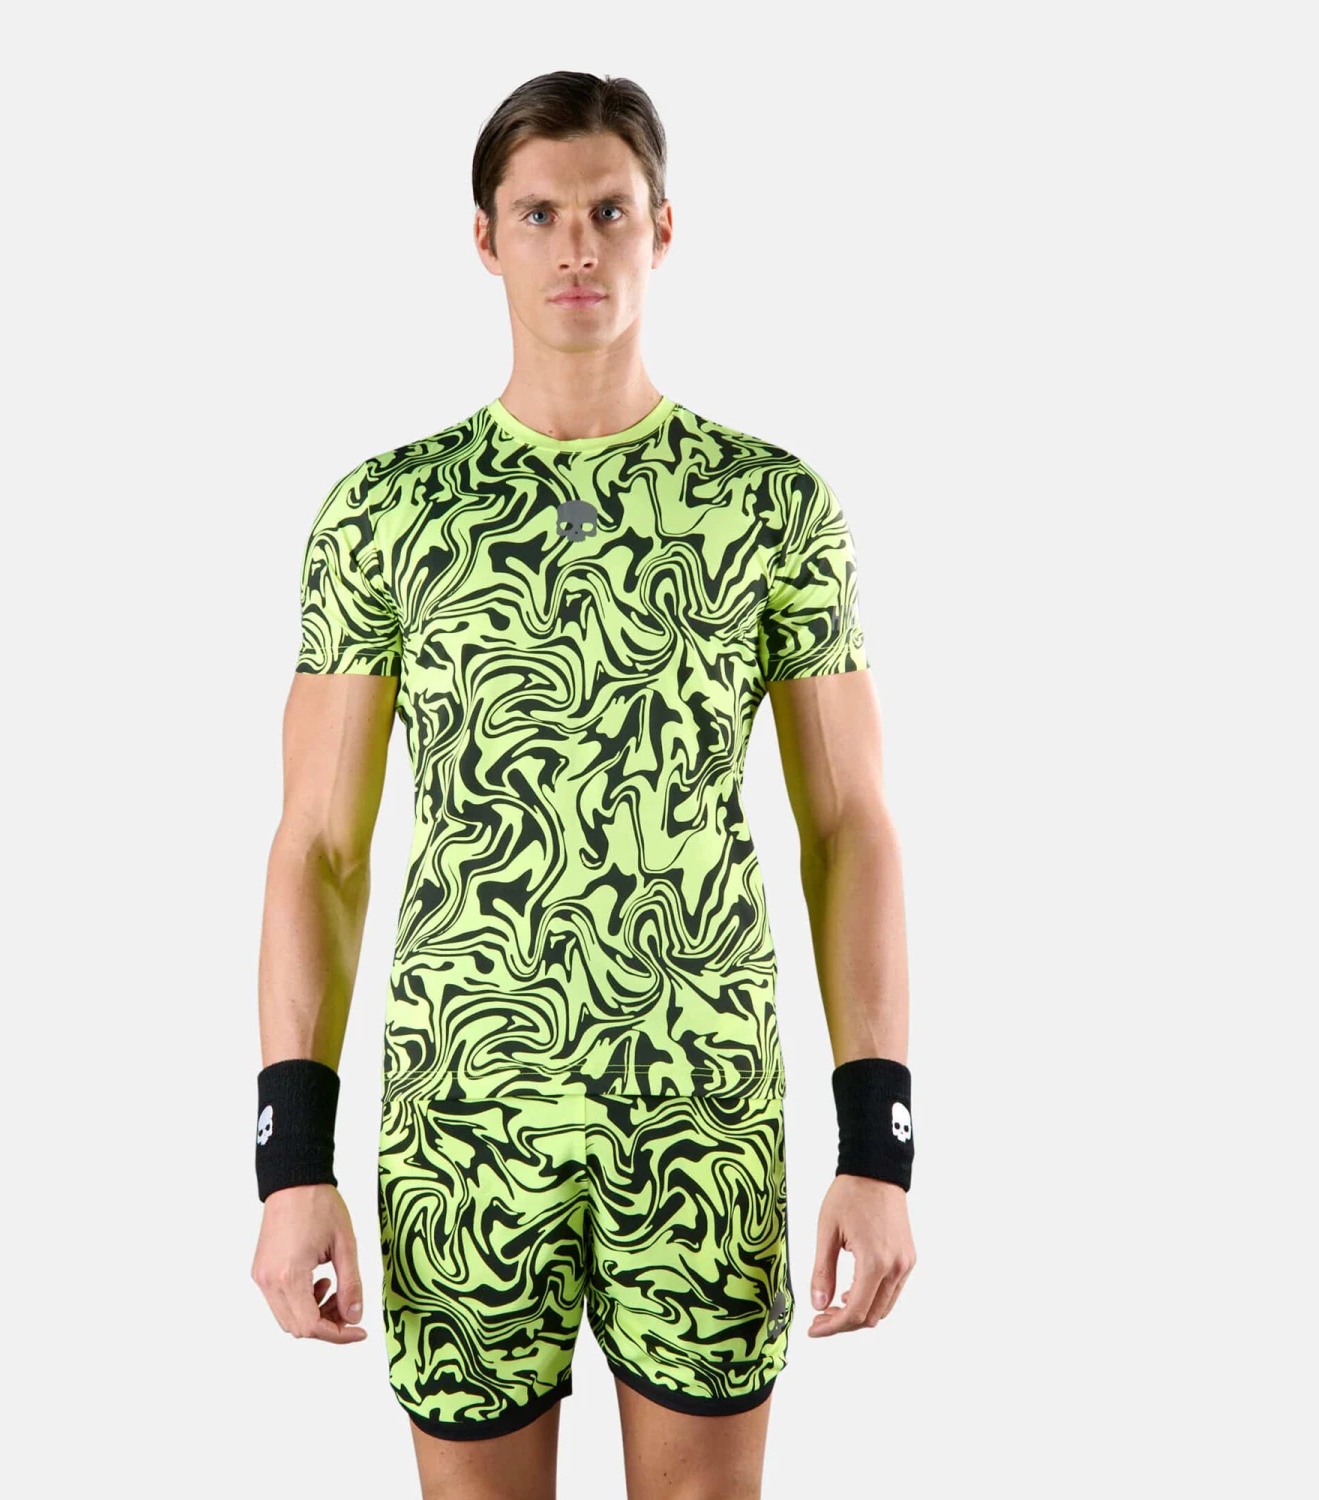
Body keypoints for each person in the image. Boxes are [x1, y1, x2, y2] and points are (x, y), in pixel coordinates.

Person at [250, 70, 916, 1500]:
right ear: (484, 239)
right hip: (465, 1122)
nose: (576, 247)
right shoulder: (387, 514)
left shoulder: (770, 503)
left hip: (701, 1115)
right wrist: (290, 1157)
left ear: (663, 229)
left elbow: (850, 825)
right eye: (539, 213)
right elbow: (317, 847)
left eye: (608, 211)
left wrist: (881, 1141)